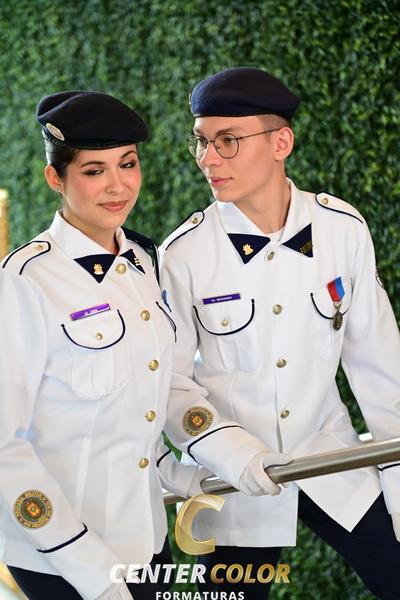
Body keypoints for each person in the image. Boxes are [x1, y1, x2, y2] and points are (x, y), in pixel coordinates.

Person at [160, 67, 400, 599]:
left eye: (227, 141)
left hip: (329, 455)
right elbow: (173, 386)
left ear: (280, 143)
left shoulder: (342, 229)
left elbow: (380, 366)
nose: (208, 159)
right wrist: (230, 454)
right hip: (231, 477)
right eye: (201, 141)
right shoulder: (183, 254)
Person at [0, 90, 215, 600]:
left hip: (146, 537)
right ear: (56, 178)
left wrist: (179, 472)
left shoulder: (141, 261)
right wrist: (88, 566)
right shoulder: (24, 281)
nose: (118, 185)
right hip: (63, 556)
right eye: (94, 170)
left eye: (128, 164)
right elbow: (4, 444)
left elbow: (141, 397)